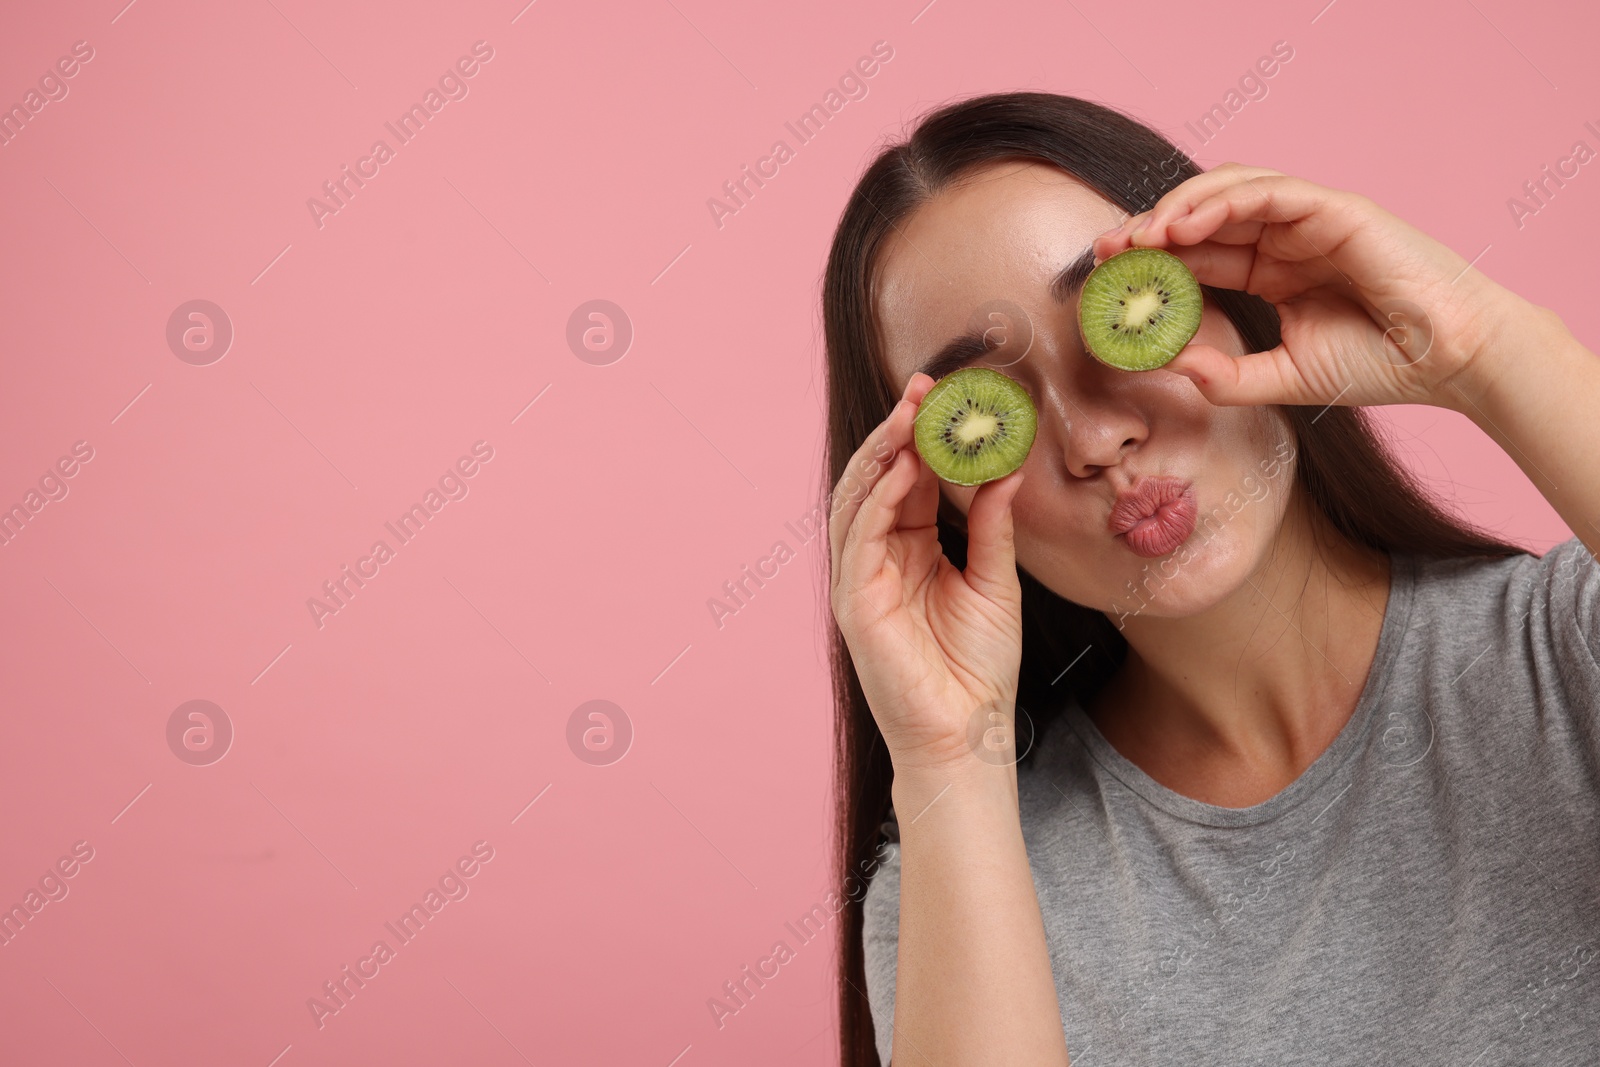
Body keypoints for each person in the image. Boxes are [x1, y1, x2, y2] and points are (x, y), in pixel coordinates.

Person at [821, 92, 1600, 1066]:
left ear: (1235, 300)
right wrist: (947, 758)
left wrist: (1478, 345)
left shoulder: (1566, 657)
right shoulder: (959, 873)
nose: (1095, 439)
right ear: (935, 493)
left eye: (1120, 321)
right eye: (991, 407)